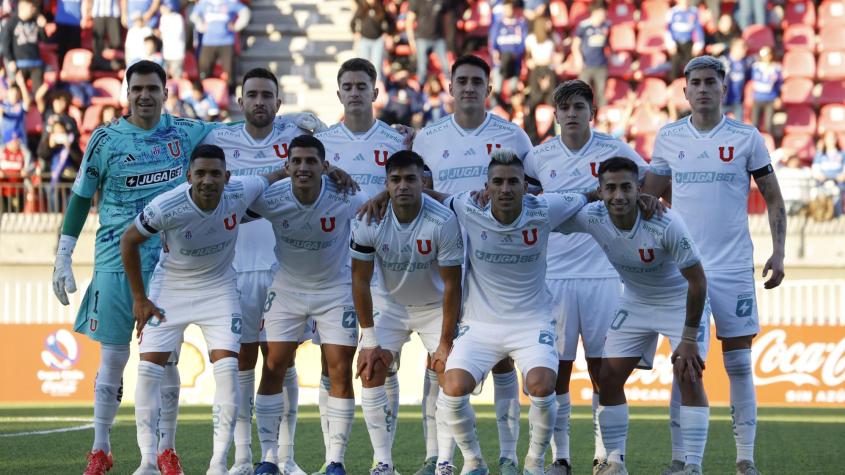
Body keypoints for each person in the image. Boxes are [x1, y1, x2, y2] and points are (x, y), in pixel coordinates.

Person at [51, 60, 221, 475]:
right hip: (113, 261)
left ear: (166, 92)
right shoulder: (105, 139)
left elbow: (239, 128)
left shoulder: (187, 132)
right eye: (137, 88)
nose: (144, 95)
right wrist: (63, 253)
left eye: (152, 88)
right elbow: (79, 197)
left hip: (169, 266)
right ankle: (101, 448)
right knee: (112, 359)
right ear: (127, 93)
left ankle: (166, 449)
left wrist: (292, 125)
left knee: (166, 362)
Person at [643, 55, 786, 475]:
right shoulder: (668, 138)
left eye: (711, 82)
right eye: (696, 83)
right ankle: (682, 460)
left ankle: (745, 459)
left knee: (739, 362)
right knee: (685, 363)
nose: (703, 88)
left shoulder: (747, 137)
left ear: (724, 89)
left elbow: (774, 198)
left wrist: (778, 252)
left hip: (734, 268)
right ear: (684, 91)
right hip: (684, 270)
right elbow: (648, 201)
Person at [119, 144, 285, 475]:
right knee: (149, 370)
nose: (208, 180)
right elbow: (128, 240)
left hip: (219, 290)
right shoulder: (167, 206)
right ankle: (148, 462)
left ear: (227, 176)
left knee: (228, 370)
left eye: (214, 174)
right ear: (188, 176)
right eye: (200, 173)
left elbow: (275, 175)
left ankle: (218, 464)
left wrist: (315, 168)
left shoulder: (240, 191)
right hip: (170, 290)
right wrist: (140, 298)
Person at [201, 67, 335, 475]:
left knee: (282, 363)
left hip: (283, 269)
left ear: (279, 102)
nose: (260, 101)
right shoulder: (217, 139)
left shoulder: (296, 138)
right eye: (252, 95)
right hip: (233, 268)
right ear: (239, 102)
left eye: (267, 95)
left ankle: (284, 456)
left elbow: (328, 158)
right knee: (240, 364)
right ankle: (243, 458)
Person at [427, 150, 587, 475]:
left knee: (542, 388)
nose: (505, 189)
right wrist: (384, 195)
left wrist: (641, 197)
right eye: (497, 182)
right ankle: (473, 462)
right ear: (486, 186)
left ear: (526, 186)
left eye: (513, 181)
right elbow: (429, 195)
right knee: (453, 389)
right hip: (480, 325)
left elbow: (587, 196)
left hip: (531, 324)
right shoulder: (468, 206)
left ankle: (533, 463)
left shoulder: (544, 209)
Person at [410, 53, 532, 475]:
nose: (468, 88)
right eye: (460, 80)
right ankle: (435, 454)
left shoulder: (513, 136)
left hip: (494, 263)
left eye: (476, 81)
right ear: (449, 86)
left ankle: (508, 455)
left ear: (489, 89)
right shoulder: (426, 137)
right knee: (436, 357)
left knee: (503, 358)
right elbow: (417, 191)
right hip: (440, 261)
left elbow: (531, 194)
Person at [523, 79, 649, 475]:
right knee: (558, 373)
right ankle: (561, 458)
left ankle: (607, 457)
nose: (572, 114)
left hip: (603, 276)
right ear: (555, 114)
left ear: (591, 111)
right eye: (565, 108)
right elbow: (523, 207)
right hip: (555, 277)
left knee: (604, 374)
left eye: (579, 107)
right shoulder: (538, 157)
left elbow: (649, 185)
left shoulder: (615, 150)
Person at [559, 157, 710, 475]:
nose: (618, 196)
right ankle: (614, 461)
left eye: (626, 187)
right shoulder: (593, 216)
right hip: (636, 301)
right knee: (608, 380)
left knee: (689, 374)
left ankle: (692, 466)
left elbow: (697, 281)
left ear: (639, 189)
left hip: (678, 301)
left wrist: (688, 338)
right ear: (599, 191)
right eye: (610, 188)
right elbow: (548, 213)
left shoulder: (665, 221)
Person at [244, 135, 369, 475]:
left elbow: (377, 209)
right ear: (286, 167)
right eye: (296, 161)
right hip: (287, 288)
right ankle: (269, 457)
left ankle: (335, 461)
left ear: (324, 166)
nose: (303, 167)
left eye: (311, 161)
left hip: (335, 288)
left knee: (340, 369)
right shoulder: (272, 196)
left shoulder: (345, 194)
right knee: (273, 365)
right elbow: (231, 203)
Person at [313, 57, 408, 475]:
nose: (354, 92)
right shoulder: (323, 143)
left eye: (361, 85)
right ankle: (333, 456)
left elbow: (411, 186)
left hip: (387, 268)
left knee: (381, 361)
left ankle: (382, 459)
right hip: (334, 265)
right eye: (347, 86)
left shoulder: (397, 141)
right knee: (331, 362)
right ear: (339, 94)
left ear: (375, 92)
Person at [350, 150, 463, 475]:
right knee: (370, 371)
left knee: (448, 376)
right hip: (390, 307)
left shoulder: (443, 220)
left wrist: (445, 341)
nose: (403, 186)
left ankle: (444, 462)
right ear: (386, 184)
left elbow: (452, 286)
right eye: (395, 180)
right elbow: (359, 279)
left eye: (410, 179)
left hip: (434, 308)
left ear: (422, 182)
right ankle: (383, 462)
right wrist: (369, 340)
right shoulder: (368, 219)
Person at [190, 0, 251, 92]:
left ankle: (231, 94)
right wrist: (200, 25)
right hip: (208, 42)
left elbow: (245, 12)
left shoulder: (230, 2)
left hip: (226, 42)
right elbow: (193, 15)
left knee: (229, 70)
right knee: (204, 70)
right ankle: (206, 94)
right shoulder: (204, 3)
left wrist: (237, 26)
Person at [1, 0, 47, 101]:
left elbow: (44, 40)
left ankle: (40, 115)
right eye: (31, 7)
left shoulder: (35, 21)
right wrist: (10, 60)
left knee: (39, 95)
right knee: (15, 94)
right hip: (19, 64)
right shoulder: (11, 23)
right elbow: (5, 43)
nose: (34, 10)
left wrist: (42, 27)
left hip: (36, 64)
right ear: (22, 7)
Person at [488, 0, 528, 101]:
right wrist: (495, 53)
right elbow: (492, 44)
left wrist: (516, 55)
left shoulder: (520, 24)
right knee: (496, 91)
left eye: (509, 8)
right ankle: (496, 112)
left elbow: (523, 44)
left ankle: (512, 114)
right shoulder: (497, 25)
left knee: (514, 91)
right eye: (505, 8)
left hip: (514, 63)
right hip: (500, 64)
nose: (507, 11)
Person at [573, 1, 610, 107]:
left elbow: (608, 44)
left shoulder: (606, 26)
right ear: (596, 12)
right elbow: (575, 45)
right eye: (603, 13)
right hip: (586, 65)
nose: (604, 16)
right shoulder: (584, 26)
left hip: (601, 65)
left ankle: (602, 118)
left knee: (601, 93)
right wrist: (578, 58)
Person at [406, 0, 450, 85]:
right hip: (422, 39)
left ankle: (450, 89)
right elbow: (409, 21)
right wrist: (411, 41)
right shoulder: (416, 2)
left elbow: (446, 18)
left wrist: (447, 37)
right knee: (422, 68)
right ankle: (420, 90)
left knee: (445, 66)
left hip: (439, 39)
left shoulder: (441, 2)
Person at [351, 0, 394, 83]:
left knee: (377, 66)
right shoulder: (362, 8)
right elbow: (353, 22)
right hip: (364, 40)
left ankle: (376, 87)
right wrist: (355, 32)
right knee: (363, 66)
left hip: (378, 41)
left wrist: (387, 34)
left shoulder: (380, 7)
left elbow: (391, 22)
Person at [665, 0, 705, 81]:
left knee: (692, 65)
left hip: (689, 42)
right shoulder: (672, 12)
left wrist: (698, 44)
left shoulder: (694, 11)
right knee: (674, 64)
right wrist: (670, 44)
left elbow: (698, 29)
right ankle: (672, 83)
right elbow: (667, 30)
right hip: (676, 43)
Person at [749, 47, 781, 135]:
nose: (766, 57)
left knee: (768, 125)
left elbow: (778, 85)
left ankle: (768, 144)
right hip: (758, 98)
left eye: (768, 55)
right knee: (754, 124)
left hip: (770, 99)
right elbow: (756, 82)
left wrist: (777, 96)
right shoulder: (756, 67)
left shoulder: (776, 68)